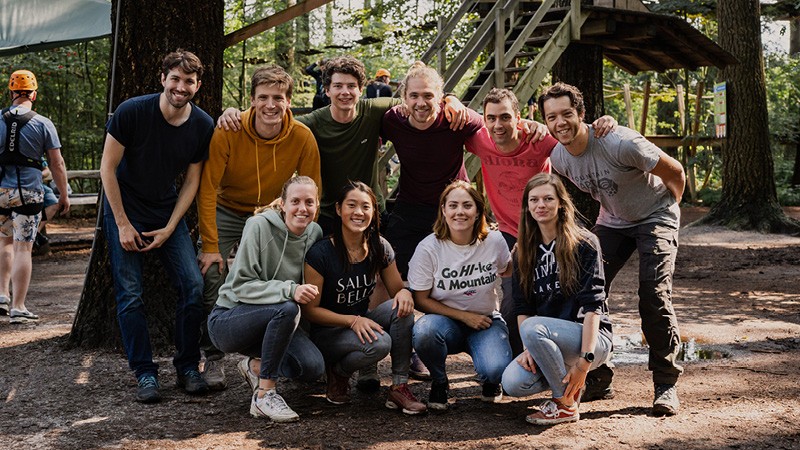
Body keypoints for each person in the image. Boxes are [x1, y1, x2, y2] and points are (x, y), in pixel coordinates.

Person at [539, 82, 686, 416]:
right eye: (552, 117)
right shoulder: (559, 159)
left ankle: (665, 384)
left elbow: (675, 171)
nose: (560, 122)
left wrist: (668, 211)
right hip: (613, 221)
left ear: (581, 114)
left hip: (656, 216)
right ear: (545, 121)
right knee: (581, 288)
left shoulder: (619, 142)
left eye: (567, 114)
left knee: (653, 293)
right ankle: (599, 374)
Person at [218, 55, 467, 234]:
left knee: (381, 271)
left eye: (351, 86)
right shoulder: (312, 123)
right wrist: (234, 113)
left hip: (371, 210)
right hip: (328, 213)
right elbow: (272, 114)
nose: (344, 92)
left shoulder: (375, 111)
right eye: (337, 86)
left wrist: (450, 98)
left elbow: (419, 100)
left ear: (361, 90)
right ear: (327, 90)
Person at [464, 88, 616, 356]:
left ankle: (589, 358)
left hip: (549, 229)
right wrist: (451, 100)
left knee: (570, 290)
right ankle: (516, 361)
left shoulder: (539, 140)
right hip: (513, 233)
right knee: (512, 300)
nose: (498, 125)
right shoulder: (479, 139)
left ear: (519, 118)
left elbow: (576, 136)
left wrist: (606, 123)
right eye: (491, 118)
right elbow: (448, 118)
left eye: (505, 117)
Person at [100, 49, 214, 403]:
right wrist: (122, 223)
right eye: (175, 79)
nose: (181, 87)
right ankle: (145, 374)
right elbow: (107, 168)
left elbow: (193, 182)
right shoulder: (132, 111)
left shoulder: (202, 125)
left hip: (167, 212)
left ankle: (187, 366)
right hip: (124, 209)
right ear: (163, 78)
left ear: (198, 85)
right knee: (130, 293)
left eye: (189, 81)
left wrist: (170, 228)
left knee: (193, 285)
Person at [197, 65, 321, 390]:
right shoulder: (229, 130)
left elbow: (311, 193)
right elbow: (208, 188)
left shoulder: (302, 136)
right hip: (229, 208)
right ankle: (211, 356)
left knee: (289, 275)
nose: (270, 105)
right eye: (263, 97)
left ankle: (286, 342)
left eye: (278, 97)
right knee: (212, 272)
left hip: (274, 213)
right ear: (251, 100)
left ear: (288, 101)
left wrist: (302, 237)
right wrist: (211, 245)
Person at [207, 176, 325, 422]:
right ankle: (264, 396)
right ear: (282, 204)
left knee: (312, 367)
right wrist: (290, 289)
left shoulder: (314, 232)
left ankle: (255, 367)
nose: (302, 209)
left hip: (278, 321)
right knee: (287, 307)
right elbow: (240, 285)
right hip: (230, 320)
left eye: (309, 202)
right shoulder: (258, 225)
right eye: (295, 201)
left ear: (317, 205)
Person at [302, 181, 426, 414]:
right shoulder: (320, 253)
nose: (359, 212)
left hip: (360, 322)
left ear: (373, 212)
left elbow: (397, 289)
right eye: (352, 205)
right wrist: (352, 321)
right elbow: (310, 311)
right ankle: (339, 371)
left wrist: (405, 293)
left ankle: (399, 386)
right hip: (327, 333)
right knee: (380, 344)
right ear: (339, 209)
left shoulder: (379, 246)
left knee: (401, 308)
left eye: (366, 207)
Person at [501, 173, 613, 425]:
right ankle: (569, 386)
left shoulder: (585, 242)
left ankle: (564, 403)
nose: (541, 205)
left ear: (561, 203)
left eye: (548, 199)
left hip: (590, 342)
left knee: (532, 327)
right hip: (545, 341)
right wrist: (529, 347)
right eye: (534, 200)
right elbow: (523, 306)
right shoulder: (523, 251)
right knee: (512, 383)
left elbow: (593, 307)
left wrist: (585, 361)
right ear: (527, 207)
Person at [409, 180, 513, 411]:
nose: (460, 212)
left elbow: (508, 269)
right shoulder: (429, 248)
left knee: (496, 368)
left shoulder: (494, 241)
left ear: (478, 212)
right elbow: (421, 299)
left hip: (486, 321)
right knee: (424, 331)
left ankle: (490, 380)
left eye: (467, 205)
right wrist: (464, 317)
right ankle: (439, 381)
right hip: (444, 324)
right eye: (453, 205)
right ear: (443, 210)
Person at [0, 70, 70, 322]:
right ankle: (18, 307)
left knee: (4, 241)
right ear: (34, 94)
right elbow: (57, 163)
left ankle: (2, 295)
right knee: (23, 248)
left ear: (11, 93)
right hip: (29, 194)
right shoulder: (43, 123)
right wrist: (63, 194)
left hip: (1, 192)